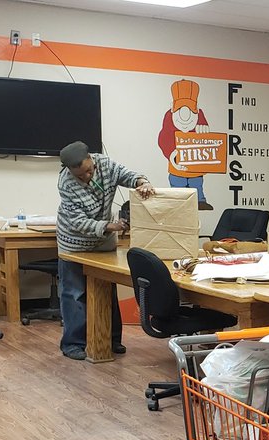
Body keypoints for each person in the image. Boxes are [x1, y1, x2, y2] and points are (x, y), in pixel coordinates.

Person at [56, 141, 155, 360]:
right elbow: (78, 222)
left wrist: (142, 182)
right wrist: (112, 226)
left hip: (103, 243)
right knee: (74, 293)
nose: (87, 177)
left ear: (92, 159)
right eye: (80, 175)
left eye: (89, 171)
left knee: (106, 289)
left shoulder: (106, 165)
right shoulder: (66, 183)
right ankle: (73, 343)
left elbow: (127, 175)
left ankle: (111, 339)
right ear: (69, 171)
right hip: (75, 244)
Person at [157, 79, 214, 210]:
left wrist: (204, 130)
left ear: (197, 108)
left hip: (195, 168)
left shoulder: (200, 115)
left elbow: (207, 139)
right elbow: (163, 139)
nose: (185, 117)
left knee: (197, 184)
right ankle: (178, 202)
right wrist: (173, 155)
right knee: (178, 184)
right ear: (172, 107)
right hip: (177, 166)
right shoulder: (169, 117)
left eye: (191, 110)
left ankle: (200, 200)